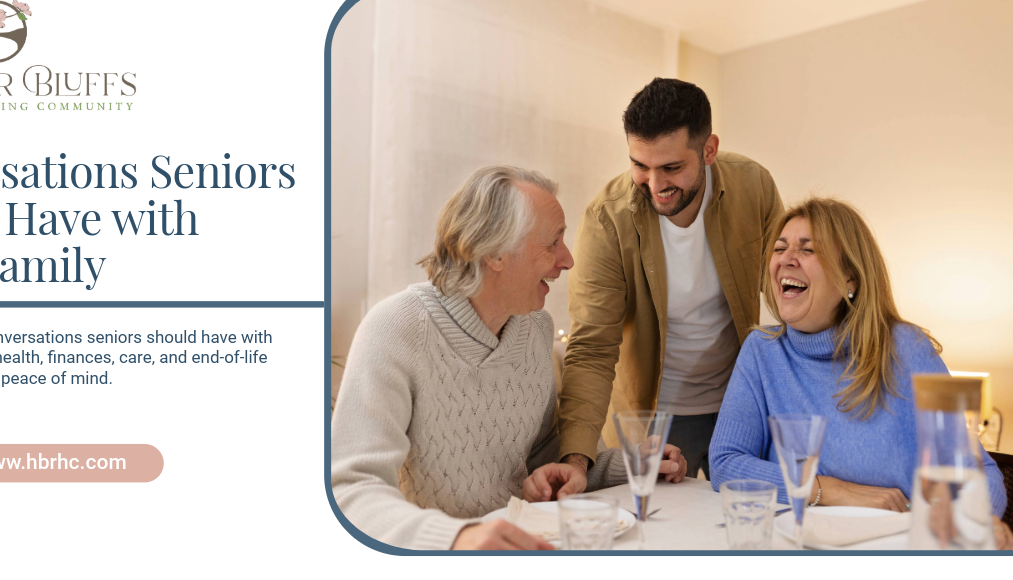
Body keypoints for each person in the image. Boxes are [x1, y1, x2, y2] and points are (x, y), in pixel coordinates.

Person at [330, 166, 686, 551]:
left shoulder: (534, 330)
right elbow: (351, 490)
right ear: (495, 253)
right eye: (552, 243)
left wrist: (634, 465)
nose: (567, 260)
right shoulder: (396, 329)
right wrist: (458, 538)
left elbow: (544, 454)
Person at [708, 197, 1010, 549]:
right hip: (794, 549)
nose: (786, 259)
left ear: (850, 277)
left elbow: (980, 474)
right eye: (779, 248)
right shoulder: (761, 351)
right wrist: (831, 490)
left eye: (808, 250)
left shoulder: (908, 347)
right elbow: (726, 464)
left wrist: (974, 517)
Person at [557, 78, 784, 486]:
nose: (655, 185)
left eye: (671, 167)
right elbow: (591, 348)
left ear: (708, 150)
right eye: (640, 165)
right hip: (649, 418)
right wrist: (576, 462)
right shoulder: (607, 219)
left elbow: (789, 297)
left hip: (739, 407)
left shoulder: (755, 186)